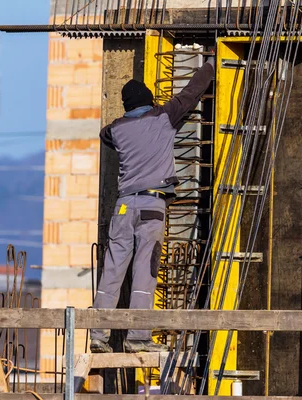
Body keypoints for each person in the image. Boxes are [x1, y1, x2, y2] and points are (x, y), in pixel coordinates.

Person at [90, 56, 215, 353]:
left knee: (112, 271)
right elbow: (191, 93)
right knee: (145, 271)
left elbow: (104, 134)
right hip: (150, 205)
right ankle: (137, 337)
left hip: (122, 208)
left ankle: (98, 334)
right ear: (149, 100)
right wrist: (210, 65)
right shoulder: (164, 117)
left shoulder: (116, 129)